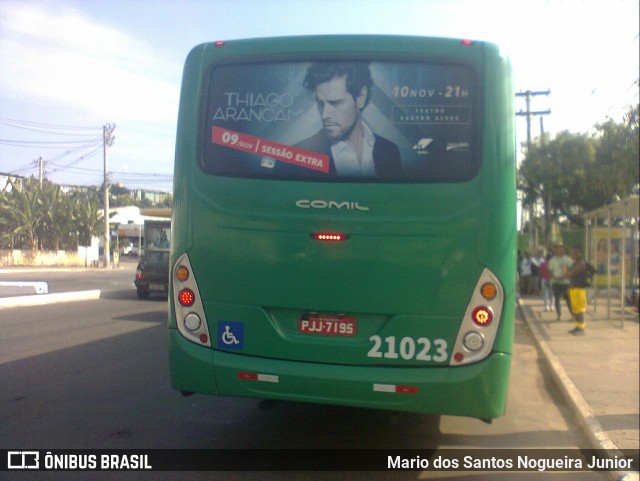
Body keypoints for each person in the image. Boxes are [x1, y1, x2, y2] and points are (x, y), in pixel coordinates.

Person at [290, 62, 401, 178]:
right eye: (320, 103)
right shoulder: (297, 158)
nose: (324, 114)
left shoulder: (390, 151)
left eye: (336, 103)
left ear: (360, 98)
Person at [566, 246, 588, 335]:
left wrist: (567, 271)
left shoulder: (581, 263)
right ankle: (578, 326)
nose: (571, 255)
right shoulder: (574, 263)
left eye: (573, 253)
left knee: (579, 309)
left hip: (579, 289)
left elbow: (572, 273)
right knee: (575, 309)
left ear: (577, 253)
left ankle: (581, 328)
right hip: (574, 288)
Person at [549, 243, 572, 321]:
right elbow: (550, 271)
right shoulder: (552, 260)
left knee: (568, 299)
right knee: (557, 299)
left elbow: (571, 269)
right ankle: (559, 315)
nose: (560, 251)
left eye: (562, 250)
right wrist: (554, 277)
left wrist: (566, 275)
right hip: (556, 282)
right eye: (558, 250)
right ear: (556, 251)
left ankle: (573, 315)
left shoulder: (568, 259)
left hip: (566, 282)